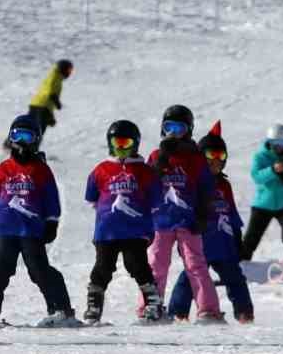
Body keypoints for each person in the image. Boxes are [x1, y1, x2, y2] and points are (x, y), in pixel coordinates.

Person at [0, 115, 75, 325]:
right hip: (5, 229)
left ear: (36, 140)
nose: (21, 142)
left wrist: (52, 221)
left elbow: (51, 197)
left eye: (27, 136)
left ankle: (60, 309)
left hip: (31, 230)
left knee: (39, 270)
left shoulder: (41, 170)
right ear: (10, 138)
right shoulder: (4, 168)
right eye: (17, 135)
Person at [169, 124, 254, 324]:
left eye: (220, 156)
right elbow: (184, 210)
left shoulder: (224, 185)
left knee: (235, 279)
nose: (216, 161)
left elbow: (231, 213)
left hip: (224, 246)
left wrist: (238, 240)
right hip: (200, 244)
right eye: (210, 155)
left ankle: (244, 312)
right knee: (189, 278)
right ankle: (177, 312)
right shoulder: (193, 183)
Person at [148, 104, 223, 322]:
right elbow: (147, 184)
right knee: (156, 266)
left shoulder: (196, 158)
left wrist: (204, 213)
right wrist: (161, 160)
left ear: (189, 130)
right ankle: (150, 308)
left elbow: (207, 188)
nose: (173, 133)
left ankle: (208, 309)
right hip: (161, 221)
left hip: (189, 221)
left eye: (179, 128)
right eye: (169, 127)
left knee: (196, 265)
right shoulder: (156, 155)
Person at [83, 118, 163, 323]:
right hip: (107, 231)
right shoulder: (101, 169)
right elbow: (91, 196)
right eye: (116, 143)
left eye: (125, 143)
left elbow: (156, 200)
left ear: (135, 144)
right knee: (102, 267)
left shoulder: (145, 171)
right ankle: (94, 305)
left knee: (137, 265)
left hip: (135, 231)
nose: (120, 148)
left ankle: (153, 303)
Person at [242, 124, 283, 260]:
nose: (279, 146)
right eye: (276, 142)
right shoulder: (260, 157)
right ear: (269, 141)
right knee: (251, 238)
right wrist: (273, 170)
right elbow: (256, 177)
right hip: (263, 204)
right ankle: (241, 265)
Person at [27, 58, 73, 136]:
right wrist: (56, 100)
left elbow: (47, 94)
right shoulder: (55, 77)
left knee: (30, 126)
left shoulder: (56, 77)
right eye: (69, 70)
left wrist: (51, 116)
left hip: (38, 105)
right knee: (38, 130)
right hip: (42, 106)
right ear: (63, 68)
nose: (69, 73)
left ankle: (12, 141)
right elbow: (49, 89)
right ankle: (27, 143)